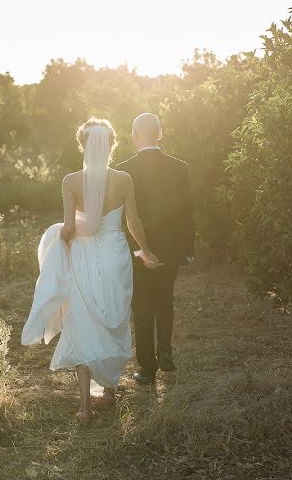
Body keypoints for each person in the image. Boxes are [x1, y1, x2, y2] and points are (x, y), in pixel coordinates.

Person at [22, 117, 160, 423]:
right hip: (114, 257)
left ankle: (85, 406)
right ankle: (109, 391)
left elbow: (71, 228)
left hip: (82, 258)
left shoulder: (70, 181)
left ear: (83, 146)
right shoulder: (124, 179)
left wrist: (58, 238)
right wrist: (146, 250)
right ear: (111, 145)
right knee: (114, 320)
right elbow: (133, 223)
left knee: (82, 324)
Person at [117, 113, 195, 384]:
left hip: (138, 249)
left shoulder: (123, 168)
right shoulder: (179, 167)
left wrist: (134, 249)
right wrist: (187, 249)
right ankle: (166, 357)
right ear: (159, 134)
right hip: (171, 248)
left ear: (134, 135)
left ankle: (147, 369)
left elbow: (123, 217)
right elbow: (187, 212)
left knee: (141, 306)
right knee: (165, 301)